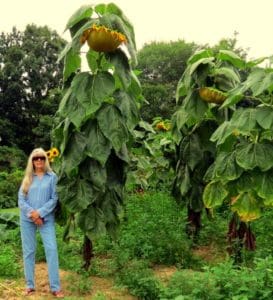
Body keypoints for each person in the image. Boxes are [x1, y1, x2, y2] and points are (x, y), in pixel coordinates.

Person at [18, 147, 64, 298]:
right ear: (32, 161)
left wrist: (40, 213)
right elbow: (21, 200)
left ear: (46, 160)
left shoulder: (52, 177)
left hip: (46, 220)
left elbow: (54, 199)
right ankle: (30, 285)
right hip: (27, 220)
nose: (39, 160)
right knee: (29, 252)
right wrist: (33, 214)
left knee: (51, 250)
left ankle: (55, 287)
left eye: (42, 158)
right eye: (35, 158)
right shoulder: (27, 178)